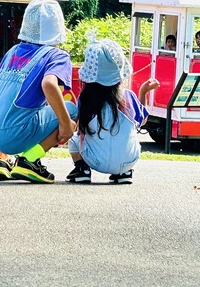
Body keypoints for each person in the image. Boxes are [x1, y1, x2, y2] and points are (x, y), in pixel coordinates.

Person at [0, 0, 76, 183]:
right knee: (70, 110)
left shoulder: (13, 51)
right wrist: (66, 123)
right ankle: (29, 160)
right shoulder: (57, 55)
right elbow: (49, 85)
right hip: (11, 135)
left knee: (8, 104)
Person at [66, 39, 159, 185]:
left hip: (94, 160)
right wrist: (143, 92)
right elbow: (142, 121)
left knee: (74, 140)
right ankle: (123, 173)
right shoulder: (128, 97)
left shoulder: (86, 99)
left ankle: (82, 169)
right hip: (128, 161)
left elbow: (78, 128)